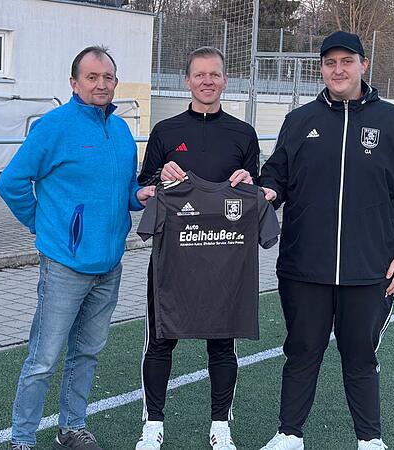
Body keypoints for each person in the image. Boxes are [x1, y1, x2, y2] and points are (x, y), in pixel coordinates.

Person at [257, 31, 394, 450]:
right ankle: (289, 434)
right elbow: (276, 176)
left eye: (346, 61)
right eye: (329, 63)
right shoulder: (299, 121)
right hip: (305, 267)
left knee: (360, 357)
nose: (338, 70)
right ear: (321, 68)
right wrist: (264, 190)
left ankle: (369, 440)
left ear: (363, 64)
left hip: (371, 270)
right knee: (302, 352)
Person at [0, 46, 155, 450]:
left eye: (108, 77)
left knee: (87, 354)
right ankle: (22, 439)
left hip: (110, 265)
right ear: (74, 83)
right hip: (65, 266)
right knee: (44, 358)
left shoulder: (119, 130)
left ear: (115, 82)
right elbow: (11, 183)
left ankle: (71, 427)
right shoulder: (54, 127)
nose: (101, 84)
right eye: (92, 77)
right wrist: (45, 226)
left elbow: (124, 191)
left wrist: (143, 195)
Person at [134, 46, 261, 450]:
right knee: (160, 340)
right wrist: (157, 180)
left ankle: (220, 426)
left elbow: (261, 192)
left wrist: (248, 180)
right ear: (186, 81)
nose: (207, 81)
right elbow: (141, 190)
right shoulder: (166, 131)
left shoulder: (243, 134)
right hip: (174, 257)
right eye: (200, 75)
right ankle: (153, 424)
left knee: (222, 343)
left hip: (224, 258)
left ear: (225, 81)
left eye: (215, 75)